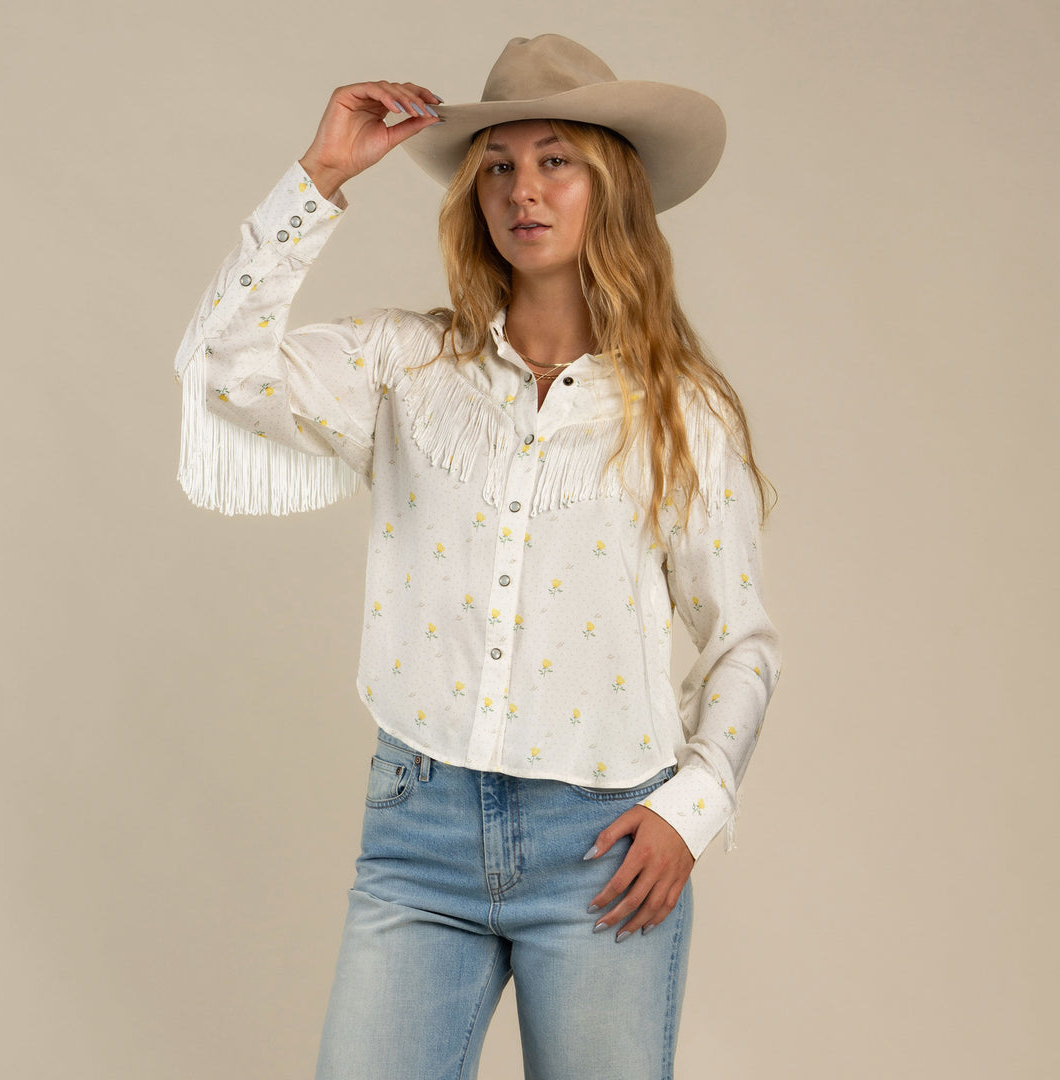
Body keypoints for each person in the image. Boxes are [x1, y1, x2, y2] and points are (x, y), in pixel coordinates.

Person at [174, 33, 781, 1080]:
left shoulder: (685, 413)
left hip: (600, 848)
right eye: (496, 164)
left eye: (556, 160)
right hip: (420, 835)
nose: (521, 190)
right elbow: (226, 370)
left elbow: (742, 643)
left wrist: (692, 809)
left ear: (613, 188)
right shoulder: (405, 365)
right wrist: (319, 175)